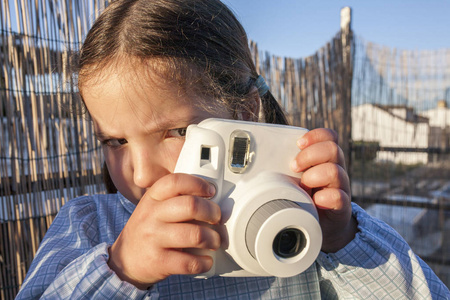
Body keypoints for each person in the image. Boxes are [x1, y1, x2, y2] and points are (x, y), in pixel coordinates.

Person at [16, 0, 449, 299]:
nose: (142, 174)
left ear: (244, 110)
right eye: (115, 141)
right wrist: (120, 270)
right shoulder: (91, 227)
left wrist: (343, 241)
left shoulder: (302, 212)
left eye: (175, 131)